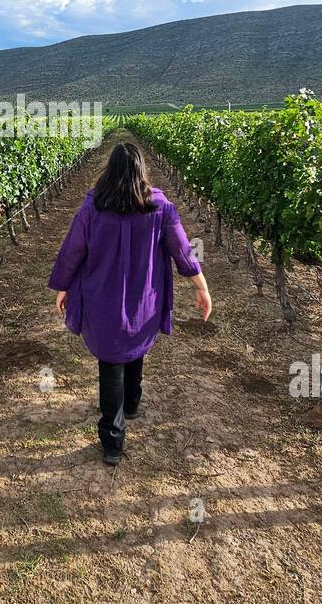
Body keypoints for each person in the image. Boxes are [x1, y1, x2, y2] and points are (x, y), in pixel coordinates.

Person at [48, 140, 213, 465]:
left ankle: (112, 442)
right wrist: (201, 286)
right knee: (135, 347)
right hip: (144, 301)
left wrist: (62, 286)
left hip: (103, 301)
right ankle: (133, 402)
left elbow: (72, 250)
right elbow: (183, 250)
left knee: (111, 363)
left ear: (109, 172)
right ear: (142, 172)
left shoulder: (92, 208)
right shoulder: (160, 208)